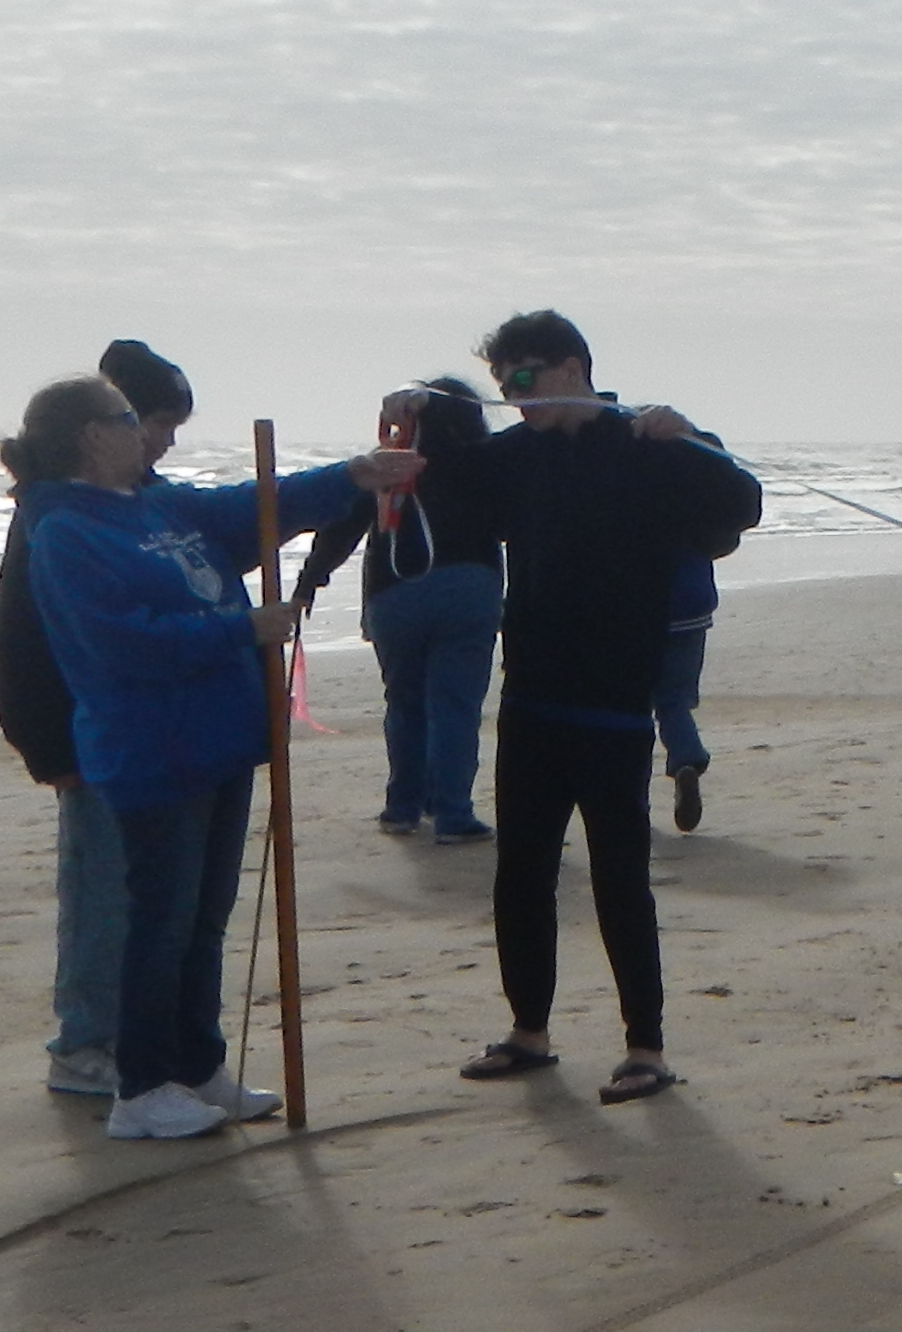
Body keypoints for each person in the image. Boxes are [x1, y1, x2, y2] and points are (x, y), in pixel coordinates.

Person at [8, 371, 397, 1143]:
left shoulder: (157, 502)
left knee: (204, 921)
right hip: (153, 749)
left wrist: (353, 476)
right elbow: (120, 645)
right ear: (91, 437)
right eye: (128, 418)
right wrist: (240, 630)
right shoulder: (63, 531)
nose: (144, 433)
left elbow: (251, 508)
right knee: (161, 923)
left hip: (220, 739)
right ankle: (142, 1085)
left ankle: (197, 1064)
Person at [395, 312, 766, 1105]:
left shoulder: (643, 444)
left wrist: (693, 435)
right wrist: (427, 411)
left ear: (571, 368)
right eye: (504, 385)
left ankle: (646, 1048)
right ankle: (529, 1032)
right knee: (521, 874)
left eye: (524, 379)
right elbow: (445, 481)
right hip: (531, 696)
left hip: (616, 703)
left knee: (619, 879)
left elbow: (739, 506)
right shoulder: (518, 455)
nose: (514, 396)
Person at [0, 341, 192, 1093]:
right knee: (102, 894)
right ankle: (83, 1042)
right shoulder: (56, 517)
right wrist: (46, 746)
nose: (162, 443)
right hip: (84, 737)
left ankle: (129, 1037)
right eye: (156, 425)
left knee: (144, 898)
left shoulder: (135, 505)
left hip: (143, 734)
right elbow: (20, 641)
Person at [291, 378, 504, 845]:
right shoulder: (485, 460)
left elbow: (341, 529)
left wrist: (308, 585)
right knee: (456, 705)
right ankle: (452, 813)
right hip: (469, 588)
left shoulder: (388, 462)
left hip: (394, 594)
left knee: (404, 702)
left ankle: (402, 807)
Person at [653, 547, 719, 830]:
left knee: (631, 704)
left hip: (641, 602)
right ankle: (685, 758)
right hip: (692, 599)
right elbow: (727, 531)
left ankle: (632, 794)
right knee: (674, 701)